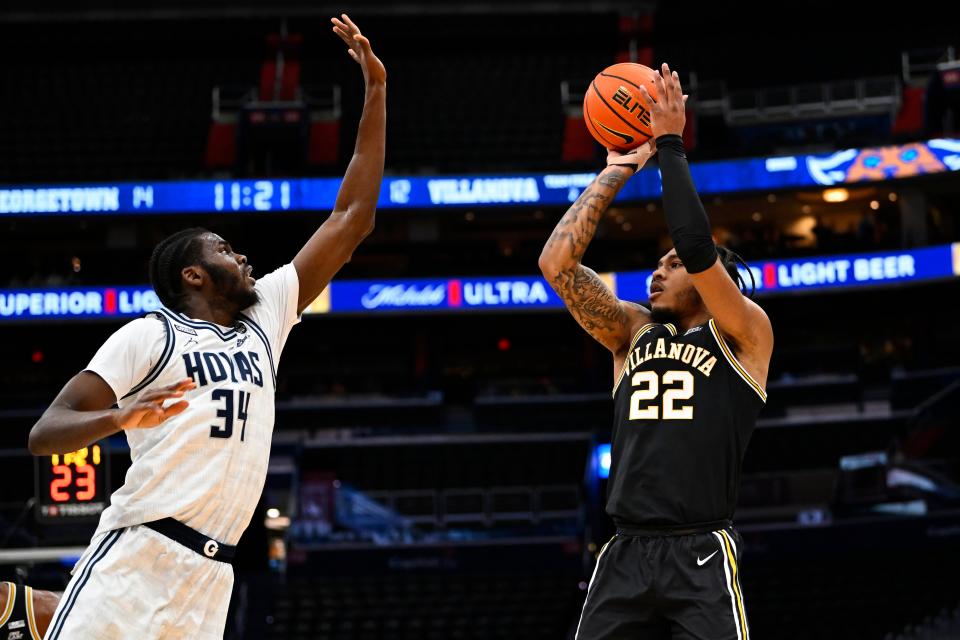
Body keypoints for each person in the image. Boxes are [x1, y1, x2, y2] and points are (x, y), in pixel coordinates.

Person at [27, 14, 385, 639]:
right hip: (136, 555)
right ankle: (29, 612)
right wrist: (119, 419)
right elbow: (45, 433)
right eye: (223, 249)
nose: (242, 256)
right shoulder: (148, 336)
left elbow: (352, 216)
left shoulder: (265, 319)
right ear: (192, 275)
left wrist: (377, 92)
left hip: (212, 577)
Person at [539, 63, 773, 639]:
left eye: (671, 266)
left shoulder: (744, 332)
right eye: (658, 263)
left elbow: (695, 246)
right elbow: (556, 265)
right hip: (624, 548)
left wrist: (670, 143)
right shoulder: (632, 332)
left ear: (714, 279)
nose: (656, 271)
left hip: (701, 548)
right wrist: (616, 170)